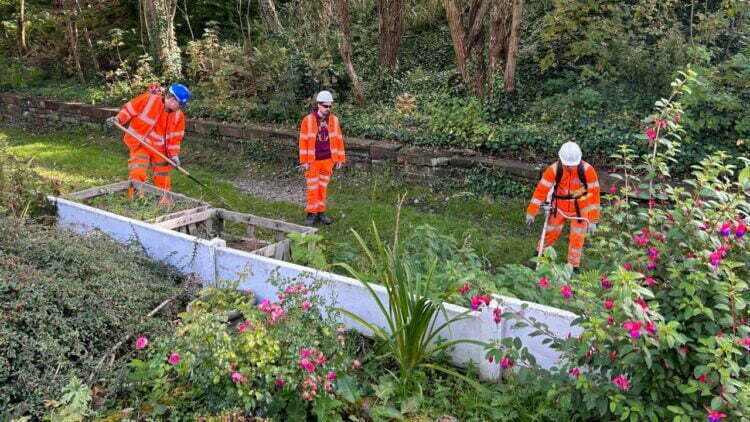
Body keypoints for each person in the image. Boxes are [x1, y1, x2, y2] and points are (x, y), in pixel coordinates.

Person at [105, 83, 190, 204]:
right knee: (138, 171)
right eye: (180, 103)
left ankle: (165, 203)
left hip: (161, 150)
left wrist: (174, 155)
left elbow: (175, 138)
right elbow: (129, 109)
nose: (181, 107)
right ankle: (136, 200)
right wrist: (118, 119)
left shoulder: (178, 116)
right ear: (172, 98)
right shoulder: (148, 99)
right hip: (141, 144)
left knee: (163, 177)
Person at [525, 142, 601, 269]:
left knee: (577, 238)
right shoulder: (554, 170)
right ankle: (539, 257)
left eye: (573, 165)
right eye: (567, 165)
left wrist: (593, 219)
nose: (570, 168)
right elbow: (541, 190)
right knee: (549, 233)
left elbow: (594, 195)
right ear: (560, 159)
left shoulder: (588, 170)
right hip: (558, 208)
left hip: (580, 209)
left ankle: (573, 267)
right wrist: (531, 211)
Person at [298, 90, 346, 225]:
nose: (328, 109)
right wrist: (304, 161)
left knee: (322, 187)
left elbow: (339, 140)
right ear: (318, 105)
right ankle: (311, 214)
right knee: (313, 188)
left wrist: (339, 159)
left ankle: (321, 212)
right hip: (313, 161)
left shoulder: (334, 120)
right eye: (325, 106)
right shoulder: (308, 120)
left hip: (328, 160)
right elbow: (303, 141)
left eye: (330, 106)